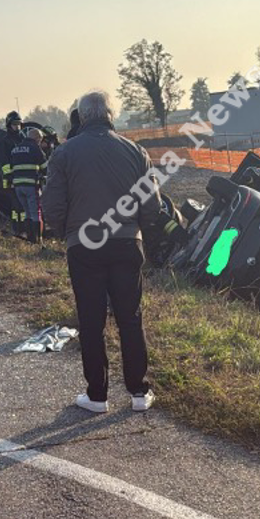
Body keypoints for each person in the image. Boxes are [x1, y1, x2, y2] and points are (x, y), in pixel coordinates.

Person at [42, 90, 156, 413]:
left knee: (91, 322)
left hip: (84, 246)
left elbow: (52, 204)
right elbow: (152, 204)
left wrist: (67, 233)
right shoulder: (136, 151)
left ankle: (97, 396)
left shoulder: (63, 155)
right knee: (130, 318)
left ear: (81, 116)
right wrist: (138, 227)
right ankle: (138, 392)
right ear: (110, 114)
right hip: (126, 243)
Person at [5, 127, 46, 242]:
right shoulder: (34, 148)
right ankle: (38, 239)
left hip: (18, 186)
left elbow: (11, 167)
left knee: (27, 212)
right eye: (40, 139)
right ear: (36, 138)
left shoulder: (15, 149)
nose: (40, 142)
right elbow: (44, 166)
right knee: (35, 212)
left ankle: (30, 237)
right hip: (31, 185)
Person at [0, 111, 26, 236]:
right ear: (9, 125)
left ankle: (25, 228)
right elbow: (4, 162)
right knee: (15, 207)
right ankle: (17, 228)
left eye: (19, 124)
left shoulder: (23, 138)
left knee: (24, 205)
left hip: (24, 178)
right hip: (11, 180)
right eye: (14, 124)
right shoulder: (5, 142)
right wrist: (9, 177)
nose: (17, 127)